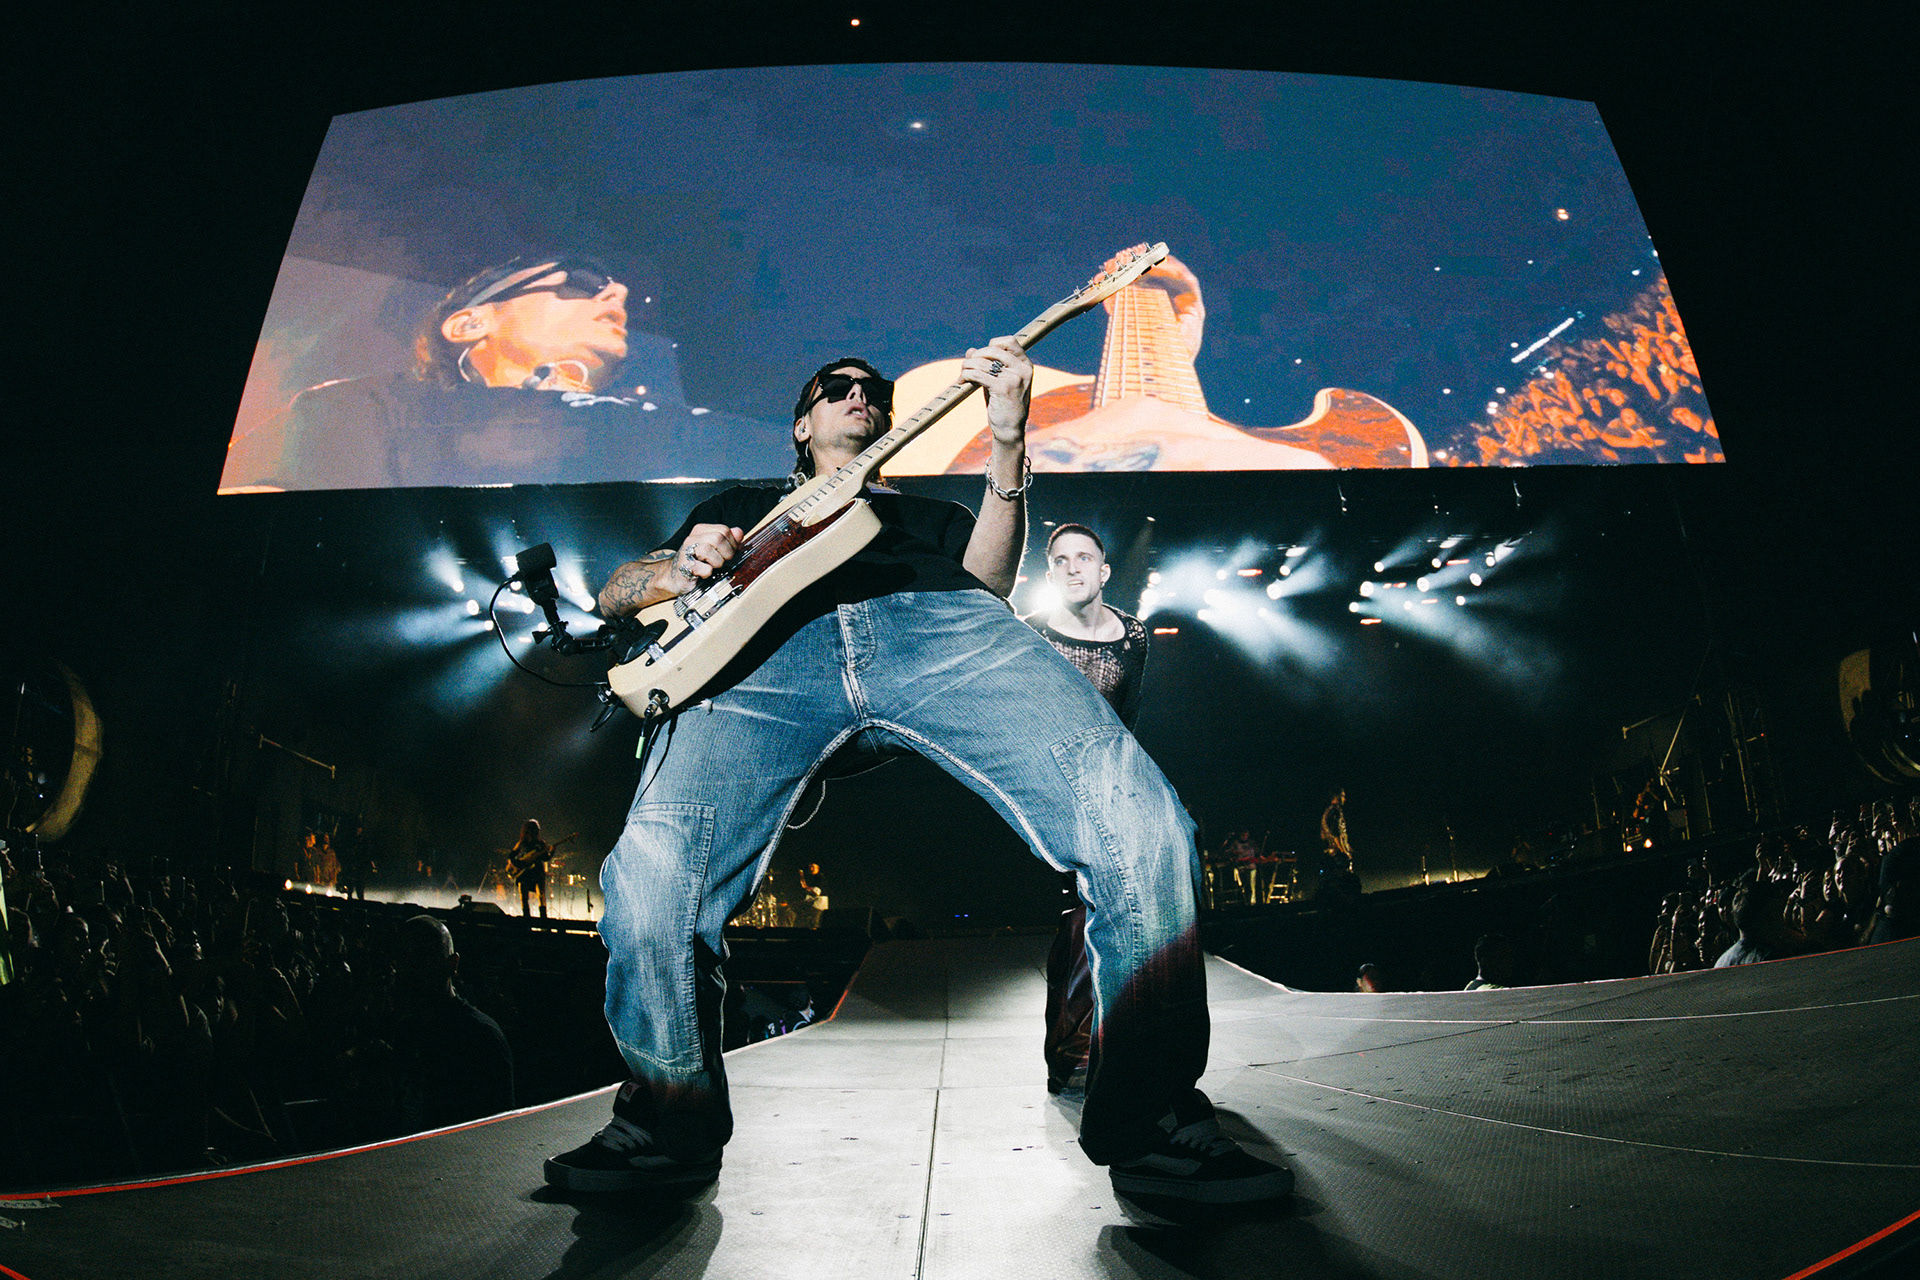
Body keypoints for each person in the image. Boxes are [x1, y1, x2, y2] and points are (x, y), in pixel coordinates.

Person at [550, 342, 1291, 1205]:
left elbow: (987, 581)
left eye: (874, 390)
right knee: (652, 883)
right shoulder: (741, 510)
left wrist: (1008, 438)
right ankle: (663, 1121)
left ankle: (1153, 1116)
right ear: (802, 425)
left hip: (938, 627)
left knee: (1140, 821)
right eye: (836, 387)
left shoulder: (927, 515)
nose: (859, 394)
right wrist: (676, 567)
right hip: (767, 659)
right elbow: (616, 593)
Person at [263, 256, 789, 490]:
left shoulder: (690, 425)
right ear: (469, 323)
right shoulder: (366, 408)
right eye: (578, 283)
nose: (617, 294)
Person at [1024, 523, 1151, 1097]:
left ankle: (1115, 1043)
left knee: (1118, 915)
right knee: (1079, 915)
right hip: (1053, 792)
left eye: (1084, 557)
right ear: (1050, 573)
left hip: (1115, 787)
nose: (1072, 567)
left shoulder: (1133, 635)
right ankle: (1071, 1052)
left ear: (1104, 570)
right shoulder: (1031, 634)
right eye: (1060, 559)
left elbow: (1129, 719)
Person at [509, 819, 554, 920]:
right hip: (524, 873)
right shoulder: (522, 843)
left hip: (537, 872)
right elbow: (511, 856)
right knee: (525, 897)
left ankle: (543, 920)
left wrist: (551, 852)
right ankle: (527, 919)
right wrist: (519, 864)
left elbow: (545, 858)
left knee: (540, 896)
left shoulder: (541, 844)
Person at [797, 863, 829, 929]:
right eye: (810, 867)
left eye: (813, 867)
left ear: (818, 868)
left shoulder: (820, 877)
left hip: (818, 904)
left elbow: (816, 892)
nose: (811, 868)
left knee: (814, 923)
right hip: (814, 903)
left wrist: (806, 887)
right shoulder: (813, 877)